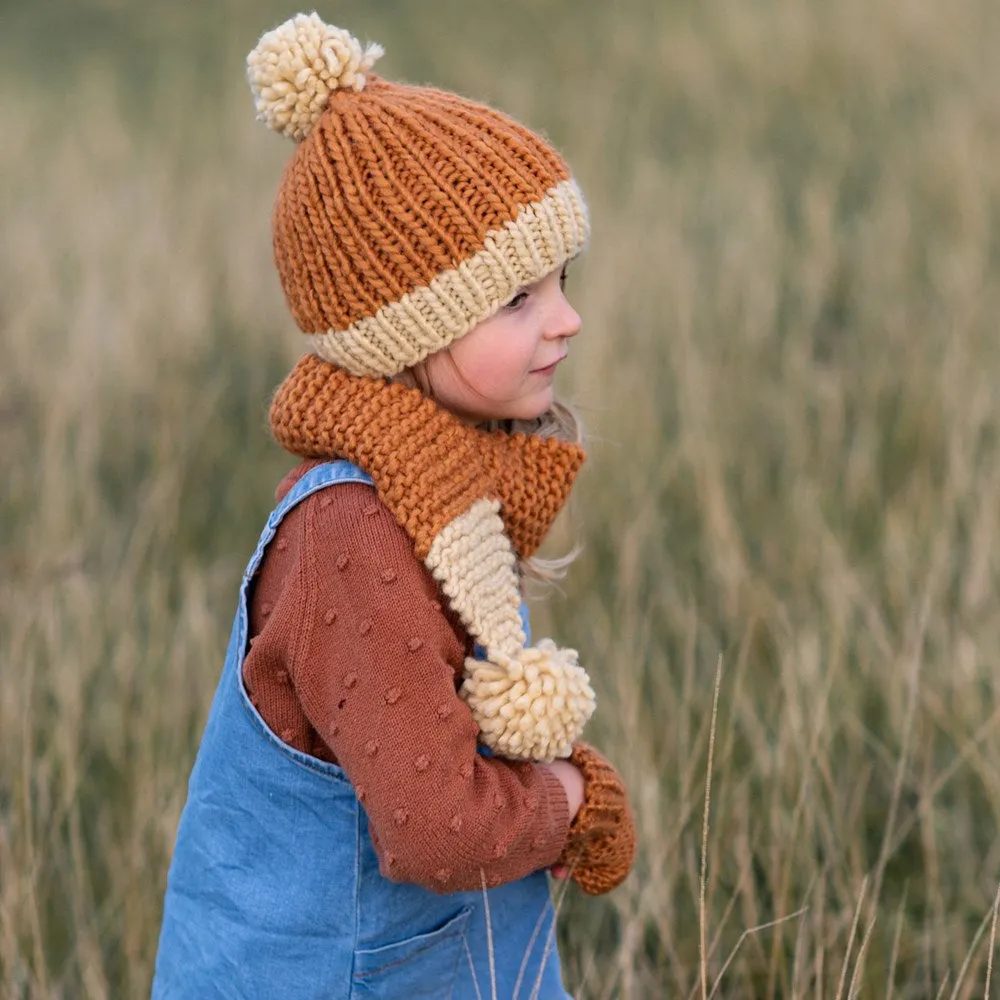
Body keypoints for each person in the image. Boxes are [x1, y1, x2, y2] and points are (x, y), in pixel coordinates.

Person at [151, 13, 636, 999]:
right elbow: (431, 825)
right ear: (406, 326)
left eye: (562, 282)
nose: (566, 319)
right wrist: (566, 797)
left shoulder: (439, 487)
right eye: (515, 299)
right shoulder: (353, 535)